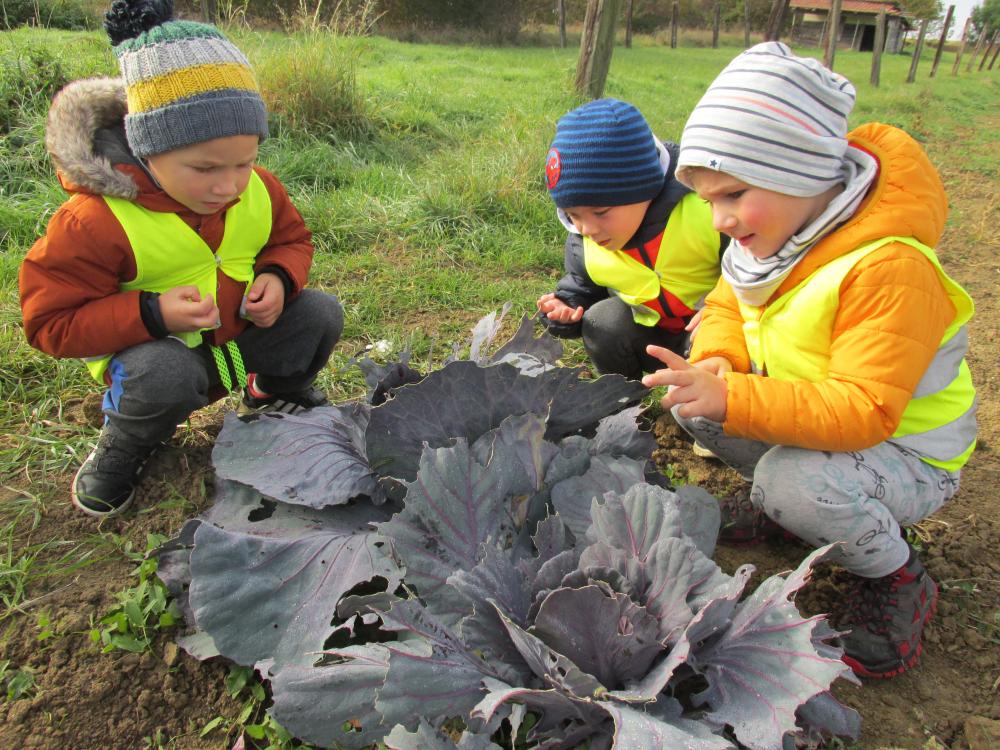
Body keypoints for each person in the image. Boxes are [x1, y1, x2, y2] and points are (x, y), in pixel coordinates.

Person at [642, 42, 977, 680]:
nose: (719, 219)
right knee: (697, 406)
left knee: (795, 483)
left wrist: (739, 399)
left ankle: (898, 576)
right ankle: (794, 515)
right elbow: (725, 305)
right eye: (710, 200)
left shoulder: (890, 266)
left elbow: (866, 409)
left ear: (799, 171)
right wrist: (717, 360)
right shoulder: (771, 238)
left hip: (909, 451)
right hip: (832, 422)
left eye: (734, 194)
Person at [18, 0, 344, 518]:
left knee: (320, 312)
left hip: (238, 343)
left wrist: (279, 277)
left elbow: (293, 239)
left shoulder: (258, 189)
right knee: (160, 374)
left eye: (245, 161)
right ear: (148, 151)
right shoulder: (93, 221)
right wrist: (152, 314)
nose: (229, 184)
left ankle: (273, 392)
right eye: (205, 167)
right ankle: (126, 441)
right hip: (160, 363)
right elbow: (49, 324)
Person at [536, 98, 725, 380]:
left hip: (712, 334)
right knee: (602, 322)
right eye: (573, 214)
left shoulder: (705, 211)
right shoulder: (584, 240)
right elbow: (582, 288)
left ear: (645, 189)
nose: (586, 228)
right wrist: (566, 306)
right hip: (649, 335)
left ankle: (715, 407)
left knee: (704, 399)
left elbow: (748, 275)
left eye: (601, 212)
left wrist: (723, 315)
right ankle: (625, 400)